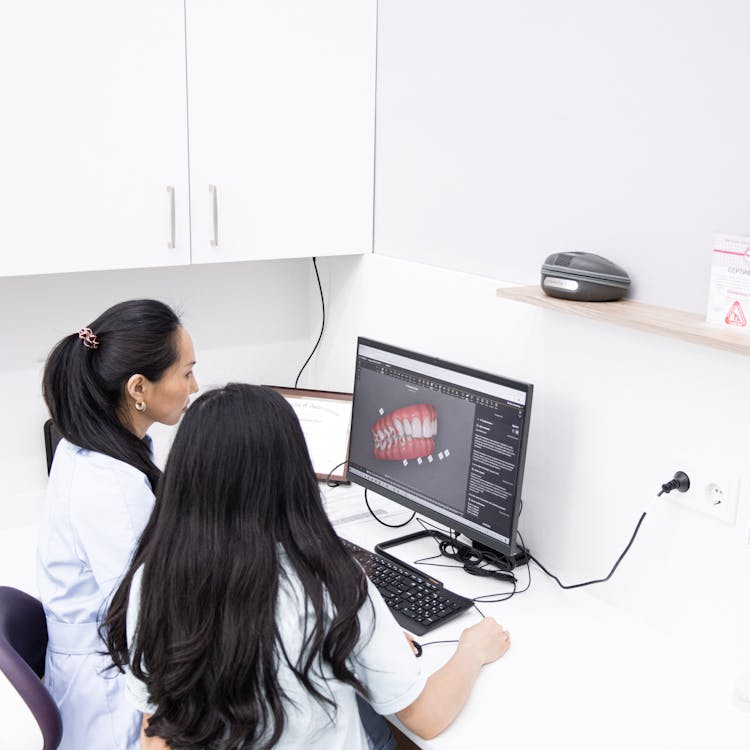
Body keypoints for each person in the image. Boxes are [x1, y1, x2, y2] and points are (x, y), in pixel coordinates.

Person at [104, 384, 511, 750]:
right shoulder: (333, 583)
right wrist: (471, 651)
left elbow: (155, 731)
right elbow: (425, 718)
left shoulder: (152, 579)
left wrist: (355, 640)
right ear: (293, 474)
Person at [37, 299, 199, 750]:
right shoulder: (110, 486)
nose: (194, 386)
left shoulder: (95, 446)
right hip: (112, 705)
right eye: (186, 373)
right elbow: (148, 621)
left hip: (99, 670)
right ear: (138, 388)